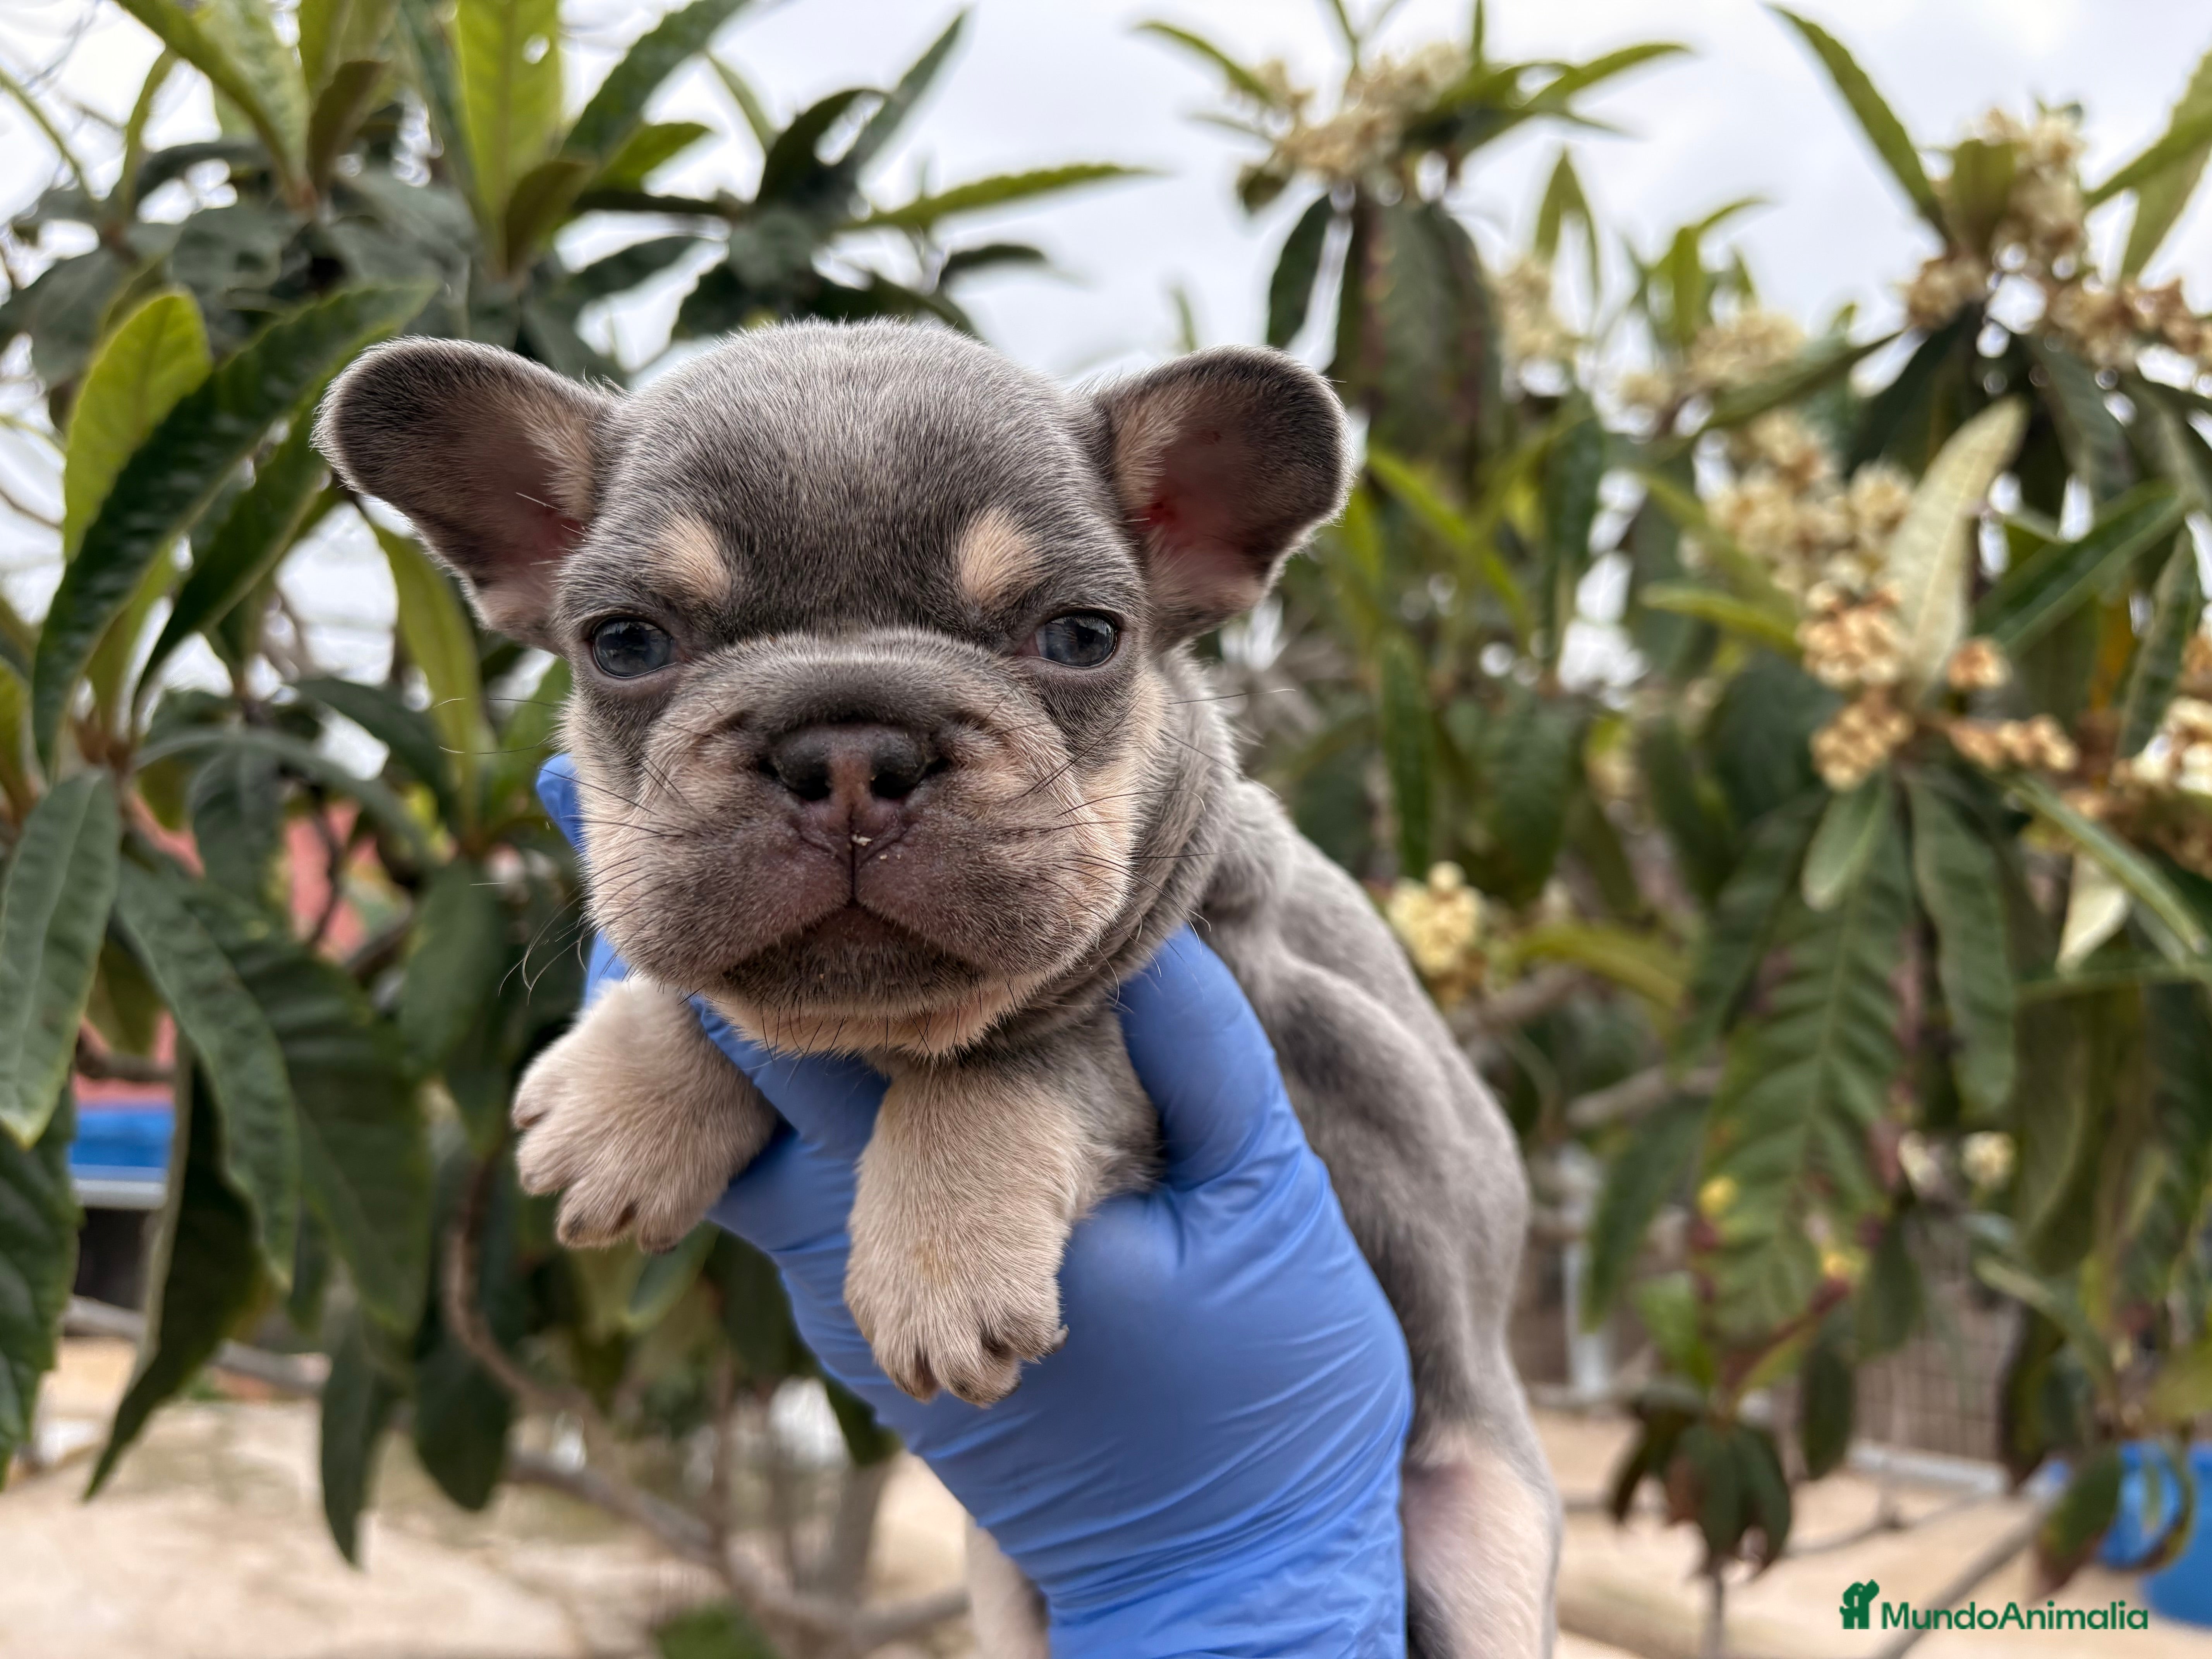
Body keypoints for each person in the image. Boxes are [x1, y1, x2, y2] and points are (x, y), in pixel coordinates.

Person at [541, 754, 1415, 1654]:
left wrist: (992, 1132)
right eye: (636, 645)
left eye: (1067, 639)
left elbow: (1132, 1001)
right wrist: (680, 1033)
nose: (848, 776)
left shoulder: (1176, 804)